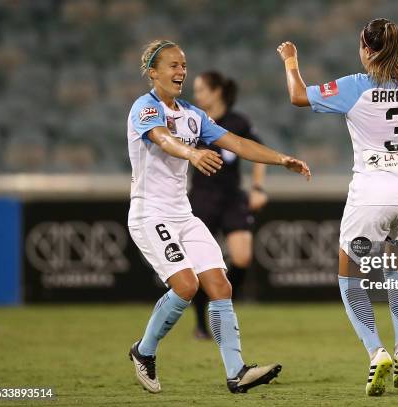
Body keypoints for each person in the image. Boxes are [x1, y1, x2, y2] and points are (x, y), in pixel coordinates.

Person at [277, 18, 398, 397]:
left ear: (366, 49)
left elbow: (297, 96)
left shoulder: (354, 86)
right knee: (397, 268)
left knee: (350, 279)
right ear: (397, 50)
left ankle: (378, 352)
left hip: (372, 196)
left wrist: (291, 61)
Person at [126, 39, 311, 394]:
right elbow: (162, 139)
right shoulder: (144, 108)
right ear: (153, 72)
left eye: (183, 65)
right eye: (173, 65)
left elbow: (238, 143)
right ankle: (143, 351)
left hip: (184, 214)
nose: (181, 71)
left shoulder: (193, 115)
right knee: (185, 286)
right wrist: (192, 155)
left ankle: (236, 372)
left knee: (220, 285)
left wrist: (281, 159)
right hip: (150, 214)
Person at [189, 71, 267, 340]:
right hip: (202, 198)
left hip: (232, 197)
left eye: (200, 89)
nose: (196, 95)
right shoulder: (193, 121)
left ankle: (220, 304)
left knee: (242, 256)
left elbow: (258, 154)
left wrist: (257, 188)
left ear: (216, 91)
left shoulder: (238, 121)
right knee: (200, 265)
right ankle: (201, 324)